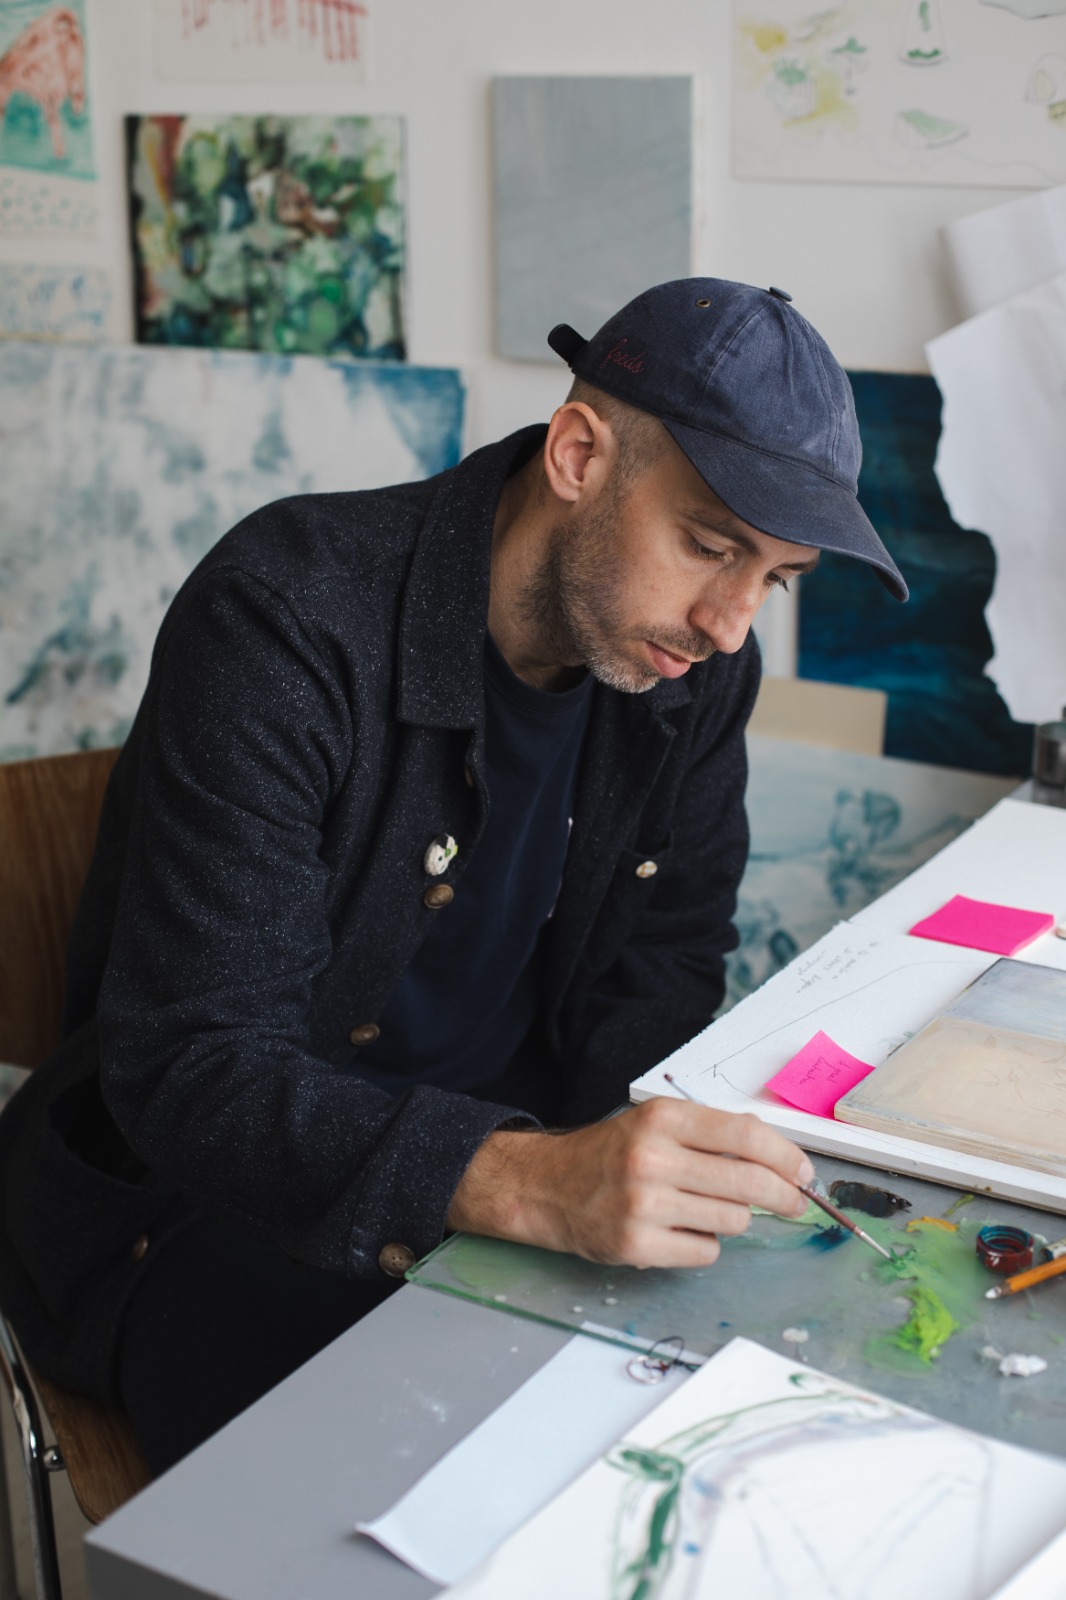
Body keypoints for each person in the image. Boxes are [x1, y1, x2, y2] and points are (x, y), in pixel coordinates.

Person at [0, 278, 907, 1475]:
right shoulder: (284, 613)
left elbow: (665, 961)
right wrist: (534, 1185)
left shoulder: (693, 675)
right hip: (209, 1208)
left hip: (519, 1173)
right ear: (579, 452)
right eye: (708, 544)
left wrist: (617, 1173)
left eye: (775, 576)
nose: (731, 621)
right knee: (462, 1504)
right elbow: (195, 1070)